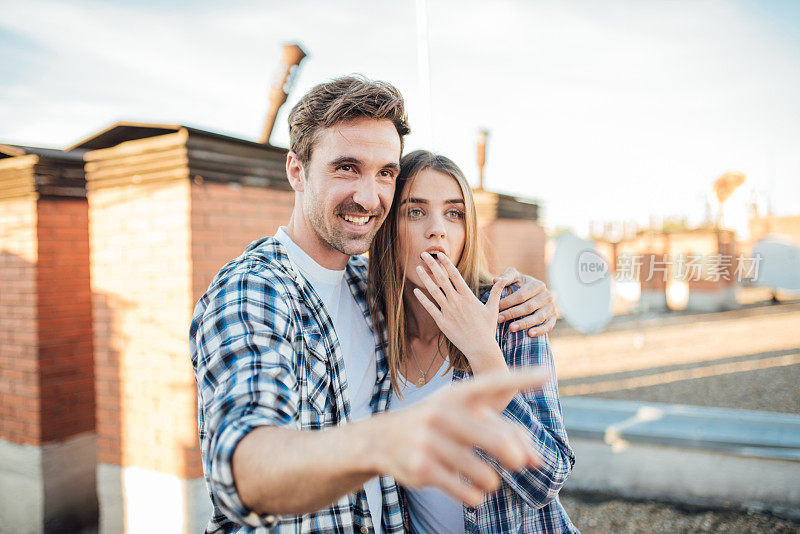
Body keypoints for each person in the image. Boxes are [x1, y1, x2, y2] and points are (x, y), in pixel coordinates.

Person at [190, 76, 559, 534]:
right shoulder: (255, 291)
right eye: (346, 167)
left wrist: (532, 295)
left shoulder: (374, 292)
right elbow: (246, 470)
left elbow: (547, 469)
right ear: (296, 171)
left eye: (385, 172)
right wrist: (382, 443)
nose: (369, 197)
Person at [368, 150, 577, 533]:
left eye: (454, 213)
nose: (438, 230)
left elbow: (548, 478)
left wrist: (483, 351)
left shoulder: (509, 315)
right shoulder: (373, 326)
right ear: (387, 228)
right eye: (415, 211)